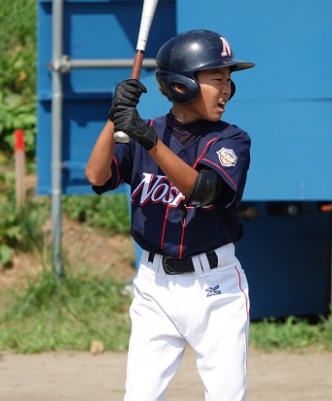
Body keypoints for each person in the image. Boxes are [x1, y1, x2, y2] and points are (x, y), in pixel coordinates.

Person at [85, 29, 255, 400]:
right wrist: (116, 116)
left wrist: (149, 142)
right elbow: (96, 176)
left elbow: (202, 191)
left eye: (229, 80)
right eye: (217, 79)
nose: (227, 89)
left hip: (216, 289)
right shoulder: (147, 132)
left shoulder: (230, 139)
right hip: (154, 288)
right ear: (181, 85)